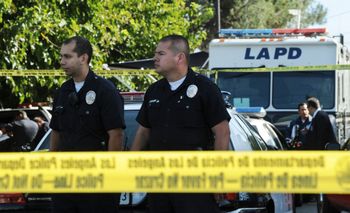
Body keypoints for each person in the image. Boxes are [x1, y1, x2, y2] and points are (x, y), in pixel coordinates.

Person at [131, 35, 231, 213]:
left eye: (161, 53)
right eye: (155, 54)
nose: (155, 58)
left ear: (180, 58)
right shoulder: (154, 91)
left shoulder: (205, 88)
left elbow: (222, 132)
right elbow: (143, 132)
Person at [49, 36, 125, 213]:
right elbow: (56, 131)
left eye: (67, 57)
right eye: (61, 57)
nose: (62, 61)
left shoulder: (105, 90)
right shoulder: (63, 91)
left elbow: (116, 134)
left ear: (83, 58)